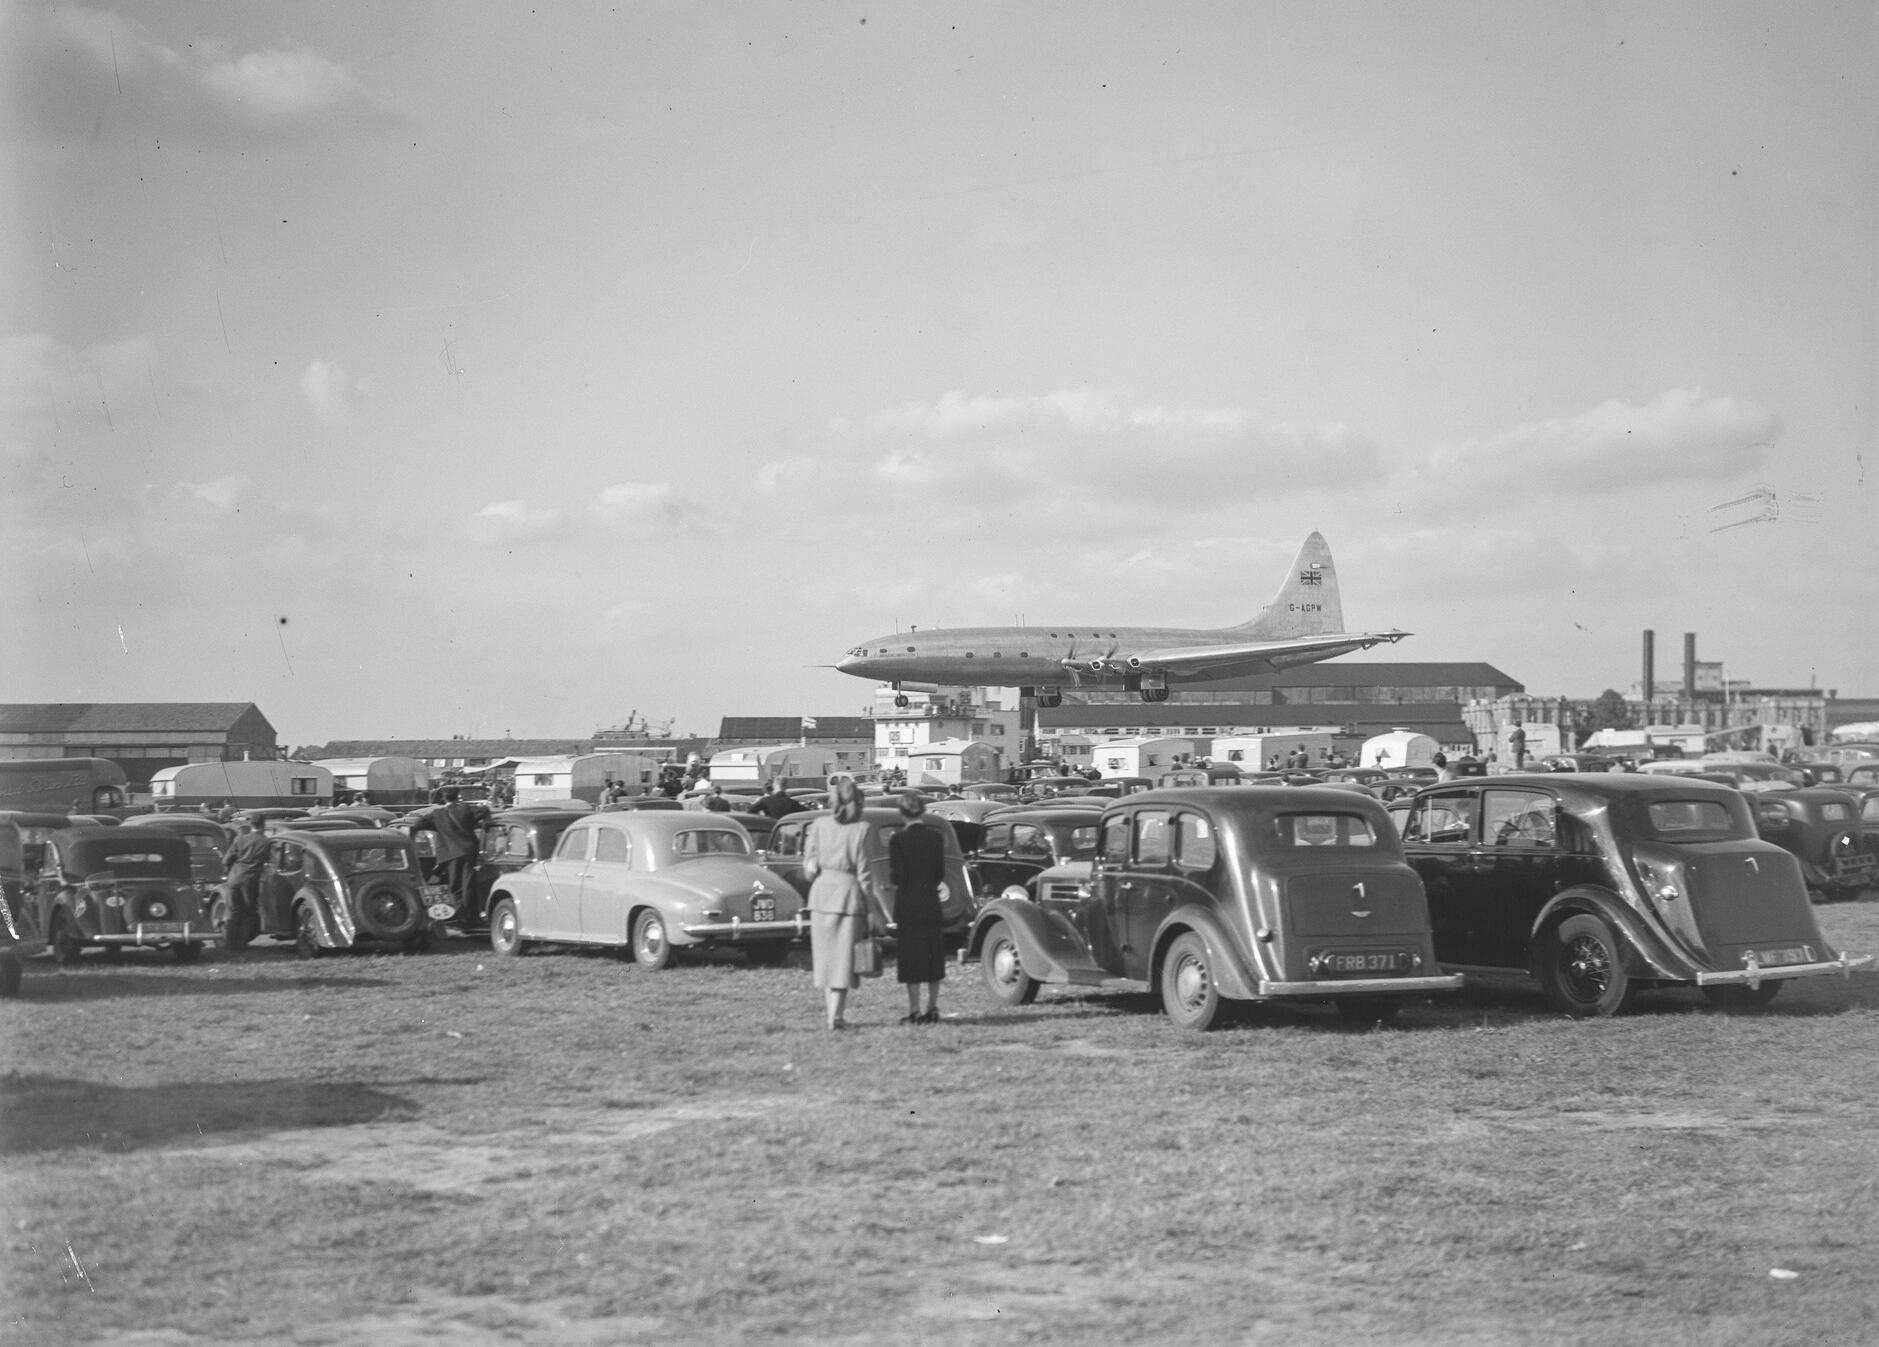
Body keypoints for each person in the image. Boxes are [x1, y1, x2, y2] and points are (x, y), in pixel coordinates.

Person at [803, 778, 891, 1030]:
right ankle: (835, 1016)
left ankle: (831, 1015)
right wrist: (874, 910)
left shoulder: (818, 824)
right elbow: (864, 875)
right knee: (842, 961)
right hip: (848, 896)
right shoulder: (862, 829)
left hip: (820, 896)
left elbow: (808, 867)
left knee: (826, 959)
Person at [887, 791, 947, 1024]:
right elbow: (939, 873)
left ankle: (914, 1009)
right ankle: (932, 1007)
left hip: (908, 903)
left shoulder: (898, 840)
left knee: (911, 958)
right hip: (930, 901)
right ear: (922, 810)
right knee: (933, 956)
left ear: (902, 813)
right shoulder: (935, 838)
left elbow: (897, 876)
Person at [417, 788, 488, 927]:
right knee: (468, 885)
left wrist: (437, 827)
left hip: (450, 855)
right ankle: (470, 917)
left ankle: (459, 914)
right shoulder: (465, 809)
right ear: (457, 797)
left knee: (454, 886)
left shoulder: (437, 814)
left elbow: (419, 824)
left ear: (444, 799)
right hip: (468, 851)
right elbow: (484, 811)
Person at [220, 818, 272, 950]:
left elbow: (226, 860)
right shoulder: (266, 842)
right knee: (249, 912)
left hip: (235, 877)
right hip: (251, 879)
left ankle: (230, 944)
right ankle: (242, 943)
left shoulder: (239, 839)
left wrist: (227, 872)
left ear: (251, 825)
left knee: (233, 911)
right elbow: (269, 861)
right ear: (263, 826)